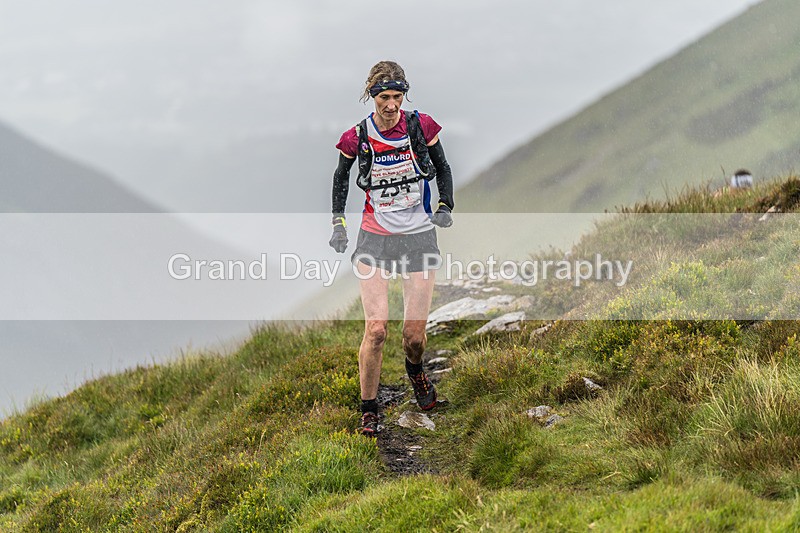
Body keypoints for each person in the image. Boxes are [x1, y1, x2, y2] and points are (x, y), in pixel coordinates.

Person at [328, 60, 455, 437]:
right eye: (384, 97)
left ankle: (416, 373)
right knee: (378, 328)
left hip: (418, 236)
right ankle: (369, 409)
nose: (391, 105)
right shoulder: (357, 137)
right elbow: (340, 179)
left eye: (397, 97)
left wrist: (445, 206)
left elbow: (443, 166)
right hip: (374, 237)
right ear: (372, 96)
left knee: (414, 336)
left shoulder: (421, 126)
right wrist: (339, 224)